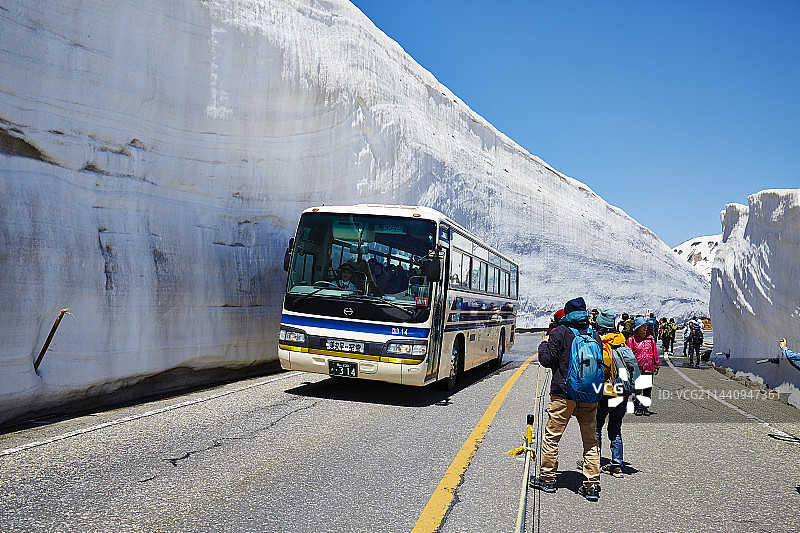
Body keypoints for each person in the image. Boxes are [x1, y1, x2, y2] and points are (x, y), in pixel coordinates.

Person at [531, 297, 603, 502]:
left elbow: (546, 360)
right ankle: (591, 485)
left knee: (552, 437)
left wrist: (544, 344)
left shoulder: (560, 333)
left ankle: (548, 478)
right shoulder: (594, 335)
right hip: (589, 395)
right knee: (590, 440)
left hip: (563, 395)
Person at [595, 309, 628, 477]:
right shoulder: (622, 342)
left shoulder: (601, 343)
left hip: (607, 392)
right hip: (623, 392)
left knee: (596, 427)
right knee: (615, 428)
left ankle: (594, 463)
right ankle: (617, 465)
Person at [628, 316, 659, 416]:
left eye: (646, 325)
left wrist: (656, 365)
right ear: (637, 328)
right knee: (638, 388)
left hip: (649, 368)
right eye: (643, 326)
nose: (645, 327)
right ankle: (637, 406)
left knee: (647, 389)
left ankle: (645, 407)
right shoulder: (632, 340)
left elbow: (655, 353)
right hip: (637, 368)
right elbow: (629, 355)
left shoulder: (650, 339)